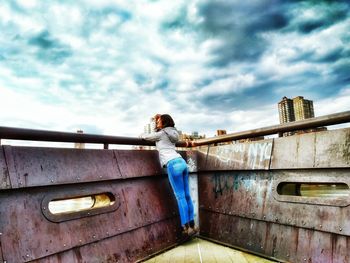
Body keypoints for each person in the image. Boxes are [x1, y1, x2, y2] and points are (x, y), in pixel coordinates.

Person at [140, 114, 197, 236]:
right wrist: (156, 120)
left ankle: (185, 227)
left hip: (172, 164)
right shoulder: (174, 133)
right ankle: (193, 225)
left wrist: (141, 135)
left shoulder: (161, 134)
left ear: (164, 122)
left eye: (159, 121)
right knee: (187, 196)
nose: (158, 123)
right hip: (181, 162)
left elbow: (146, 136)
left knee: (180, 197)